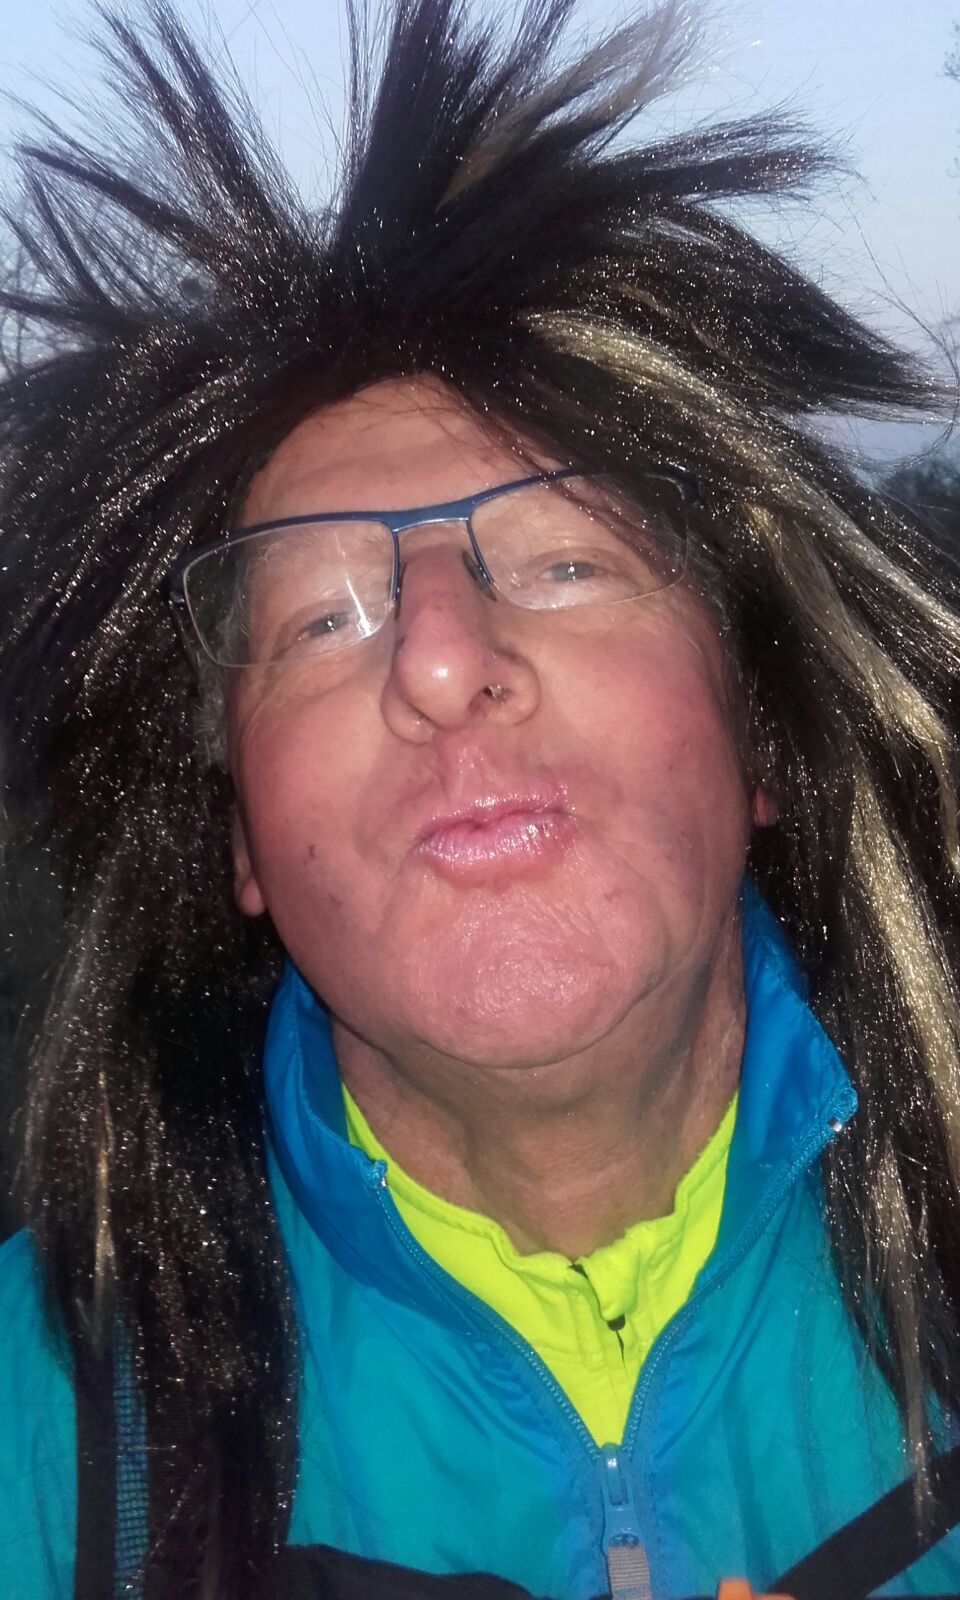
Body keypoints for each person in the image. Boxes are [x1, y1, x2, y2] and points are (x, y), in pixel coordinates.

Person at [1, 0, 959, 1596]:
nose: (442, 662)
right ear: (242, 841)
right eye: (322, 618)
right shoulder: (44, 1433)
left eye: (566, 562)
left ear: (761, 739)